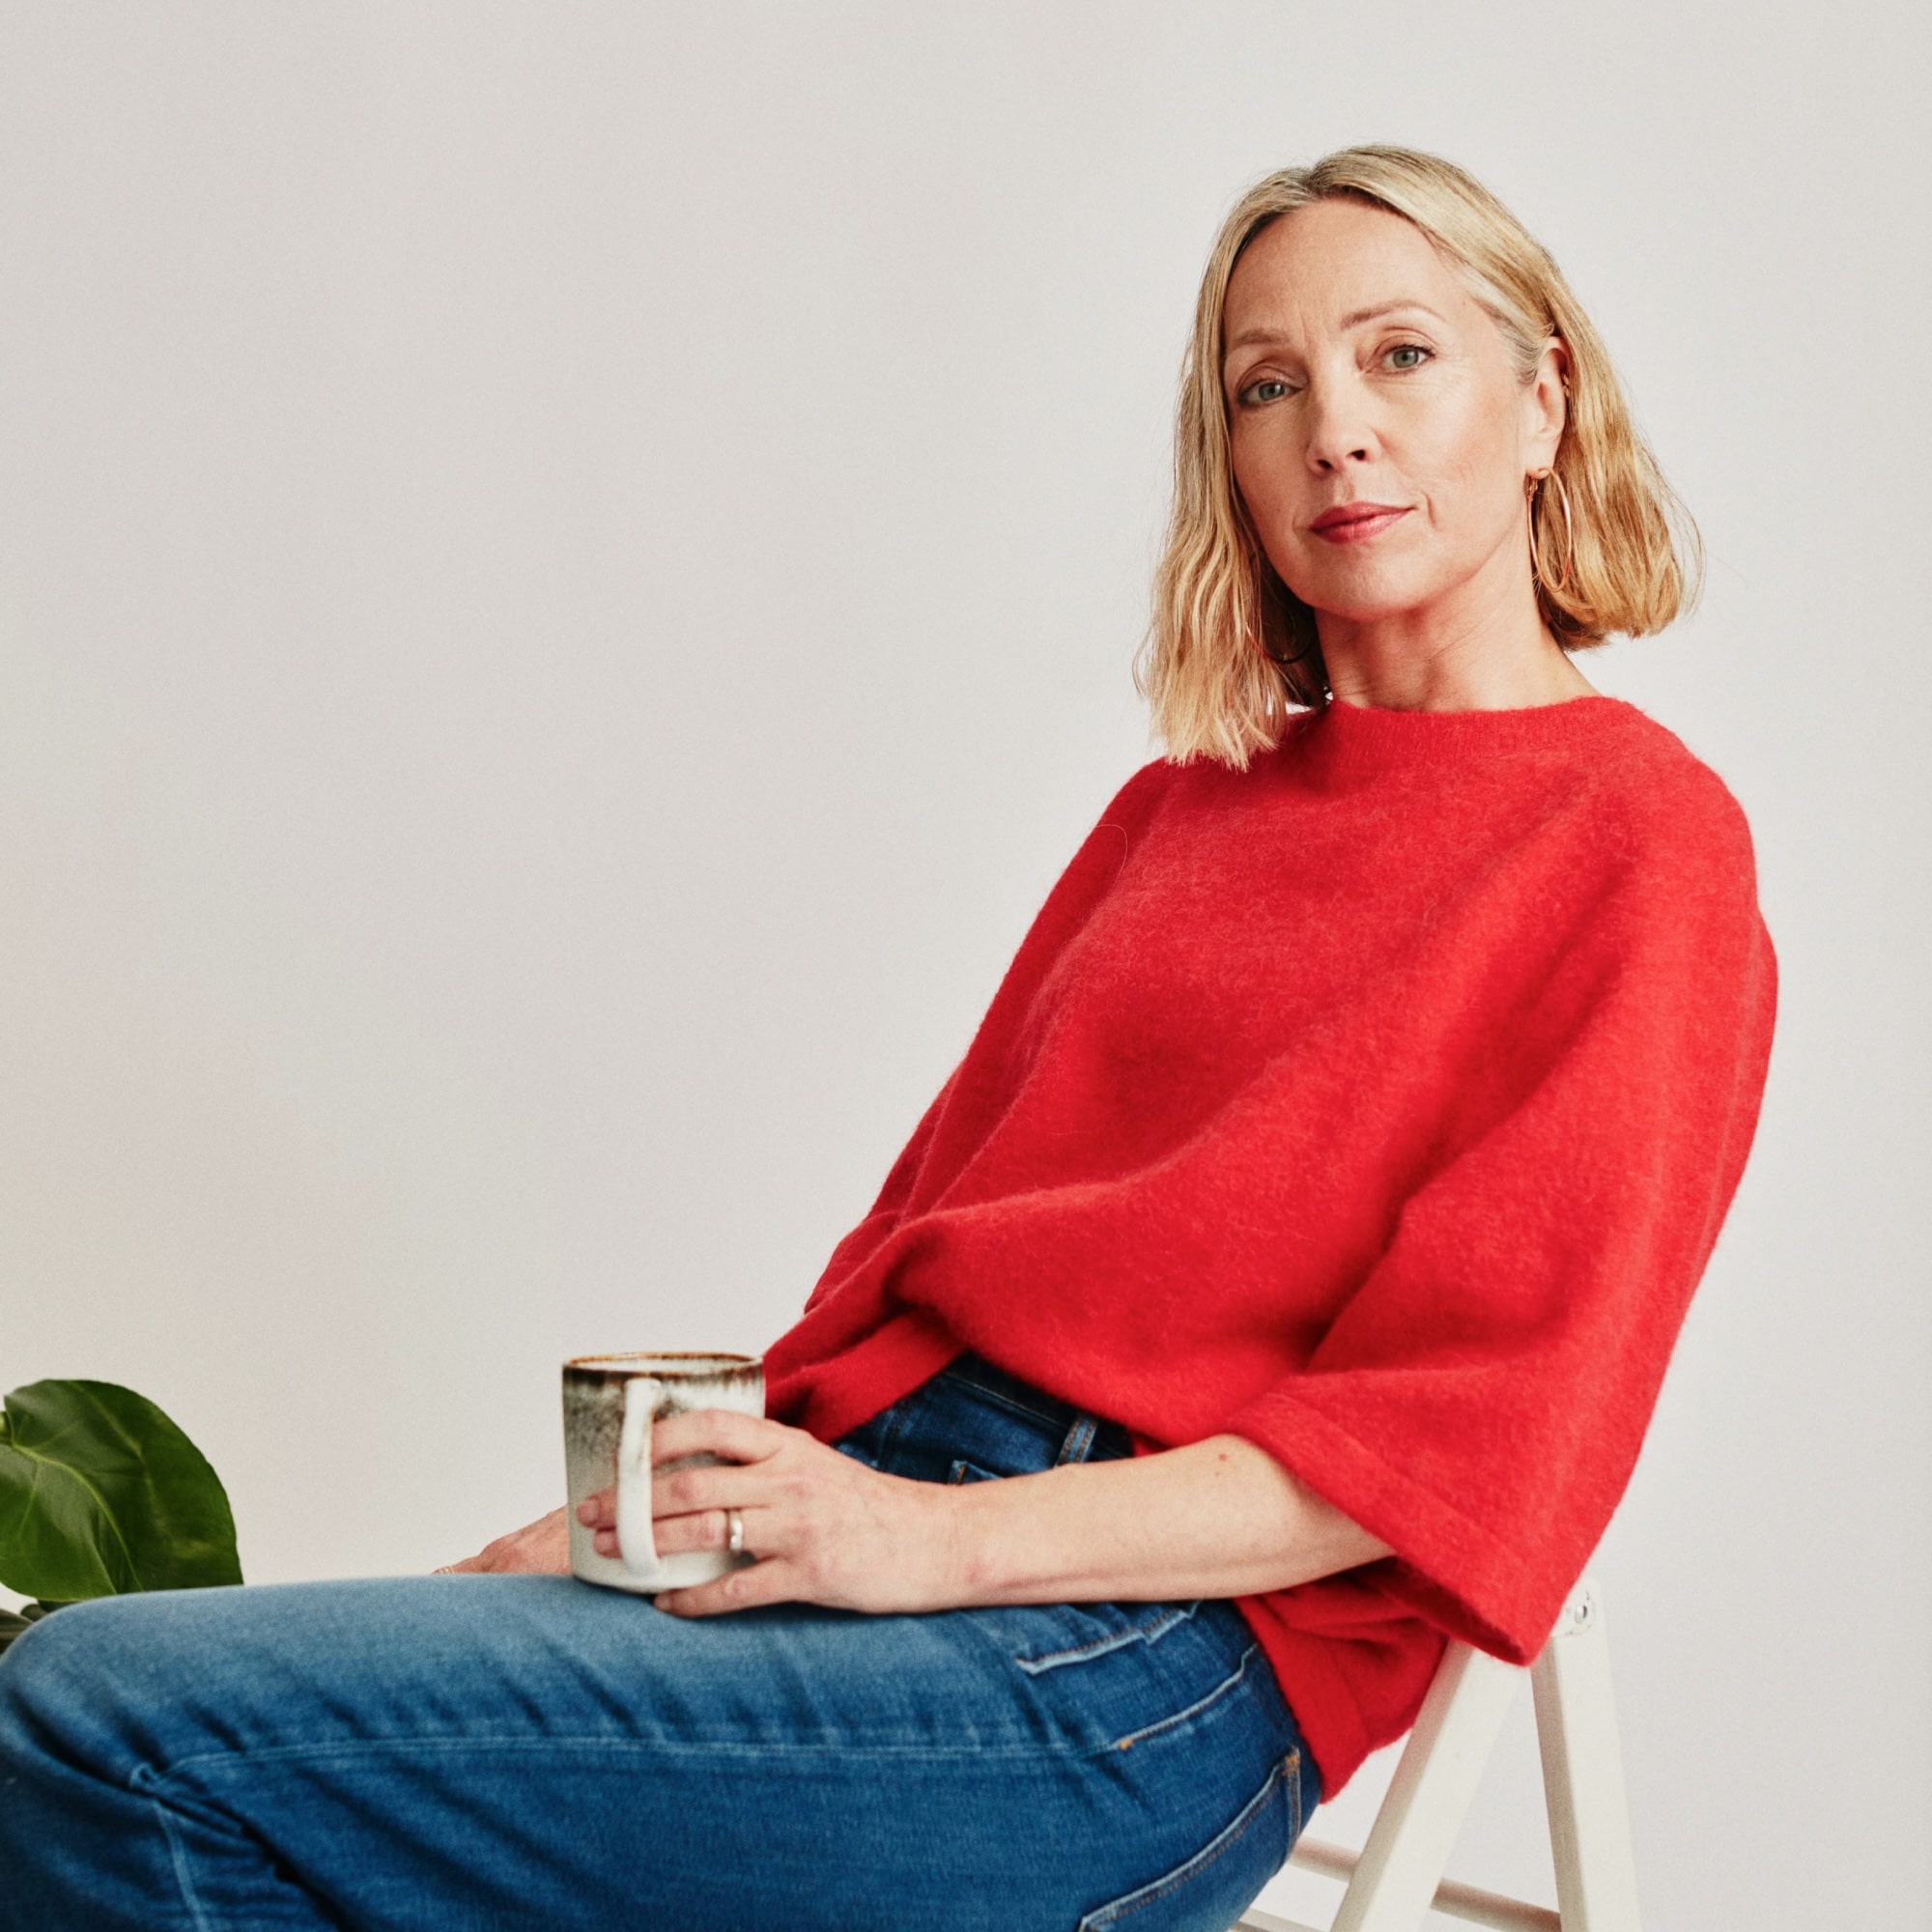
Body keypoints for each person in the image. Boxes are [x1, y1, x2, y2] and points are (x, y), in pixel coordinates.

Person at [0, 145, 1776, 1932]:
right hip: (857, 1515)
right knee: (163, 1754)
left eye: (1402, 356)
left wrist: (924, 1547)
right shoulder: (1182, 812)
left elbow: (1449, 1454)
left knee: (95, 1723)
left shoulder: (1638, 847)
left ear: (1542, 398)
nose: (1336, 428)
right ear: (1227, 457)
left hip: (1141, 1673)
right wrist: (659, 1511)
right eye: (1268, 383)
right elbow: (906, 1262)